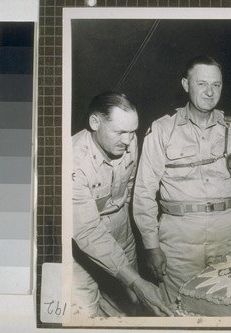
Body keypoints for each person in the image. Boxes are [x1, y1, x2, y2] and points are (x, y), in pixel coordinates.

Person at [133, 56, 231, 302]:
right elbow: (143, 192)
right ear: (186, 84)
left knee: (230, 306)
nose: (209, 92)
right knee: (178, 309)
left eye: (216, 85)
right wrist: (151, 245)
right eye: (202, 84)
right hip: (178, 241)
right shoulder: (163, 129)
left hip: (228, 236)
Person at [72, 91, 172, 317]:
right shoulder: (73, 161)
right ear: (95, 122)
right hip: (81, 248)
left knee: (128, 310)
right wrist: (136, 281)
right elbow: (87, 231)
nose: (128, 141)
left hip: (122, 235)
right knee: (84, 314)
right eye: (120, 132)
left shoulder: (128, 142)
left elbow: (129, 187)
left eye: (132, 132)